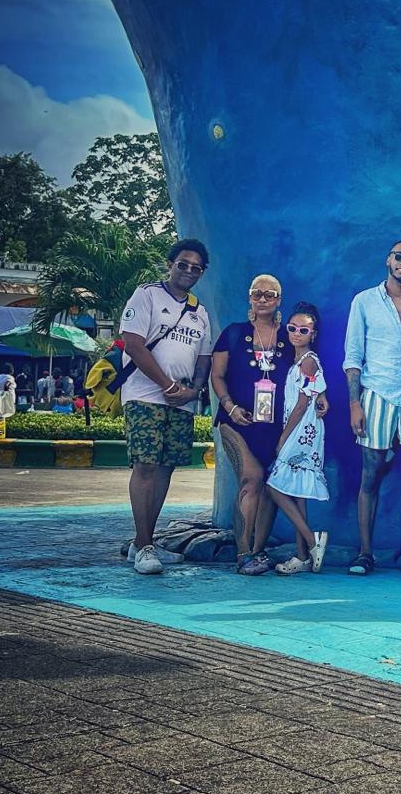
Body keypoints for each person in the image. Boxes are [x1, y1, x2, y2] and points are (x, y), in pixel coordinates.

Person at [120, 238, 213, 576]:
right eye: (183, 264)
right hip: (145, 395)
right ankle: (144, 546)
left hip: (181, 403)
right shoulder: (146, 296)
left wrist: (194, 390)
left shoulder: (199, 312)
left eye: (196, 268)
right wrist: (167, 385)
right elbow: (133, 344)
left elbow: (203, 358)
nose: (188, 271)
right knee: (145, 465)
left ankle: (143, 542)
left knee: (165, 468)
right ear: (170, 264)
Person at [343, 239, 401, 576]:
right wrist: (355, 404)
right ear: (388, 259)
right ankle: (364, 552)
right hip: (376, 394)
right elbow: (353, 357)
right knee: (371, 475)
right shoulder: (364, 301)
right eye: (399, 256)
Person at [212, 274, 289, 574]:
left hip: (275, 426)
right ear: (249, 297)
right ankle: (243, 554)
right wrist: (229, 406)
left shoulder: (288, 336)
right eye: (257, 293)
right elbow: (217, 376)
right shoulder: (233, 333)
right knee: (252, 478)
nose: (263, 298)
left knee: (270, 485)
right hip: (237, 420)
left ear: (279, 300)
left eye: (270, 294)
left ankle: (258, 551)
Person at [267, 302, 330, 574]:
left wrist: (283, 437)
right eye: (292, 328)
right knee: (298, 492)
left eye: (303, 330)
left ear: (313, 333)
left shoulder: (308, 361)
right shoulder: (300, 362)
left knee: (273, 486)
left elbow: (303, 404)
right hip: (303, 430)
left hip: (302, 432)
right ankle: (303, 556)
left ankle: (310, 538)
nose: (296, 333)